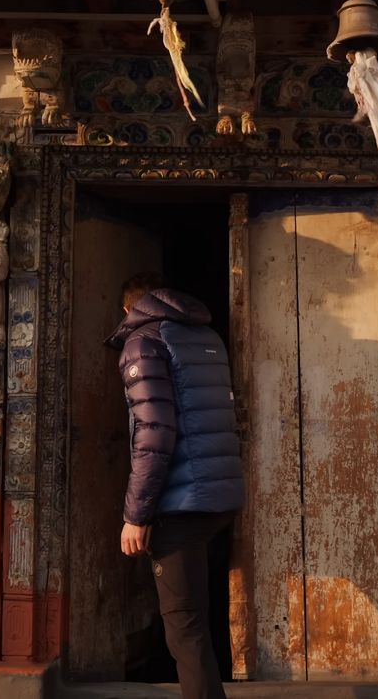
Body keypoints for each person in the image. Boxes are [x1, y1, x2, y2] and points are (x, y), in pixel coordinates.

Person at [107, 272, 243, 699]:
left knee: (185, 630)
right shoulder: (206, 336)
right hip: (218, 498)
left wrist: (136, 515)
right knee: (196, 622)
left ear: (129, 308)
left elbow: (154, 433)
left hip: (179, 506)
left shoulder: (142, 343)